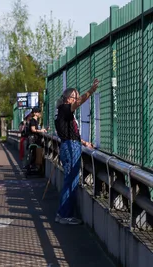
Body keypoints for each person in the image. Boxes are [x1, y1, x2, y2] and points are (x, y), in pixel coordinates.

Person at [54, 79, 98, 225]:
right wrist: (91, 91)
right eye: (75, 97)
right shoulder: (65, 109)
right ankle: (65, 215)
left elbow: (71, 132)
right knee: (71, 182)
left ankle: (62, 213)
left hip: (69, 145)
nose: (77, 100)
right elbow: (79, 102)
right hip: (71, 147)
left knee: (70, 181)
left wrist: (84, 142)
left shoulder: (62, 113)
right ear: (68, 98)